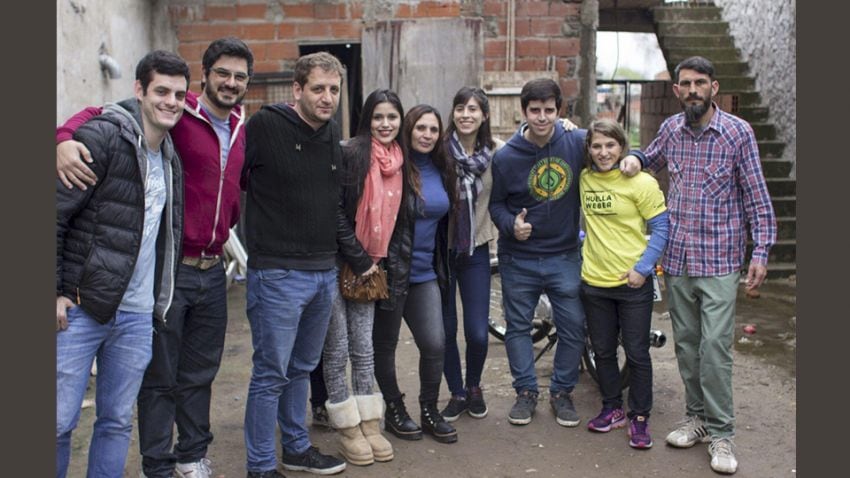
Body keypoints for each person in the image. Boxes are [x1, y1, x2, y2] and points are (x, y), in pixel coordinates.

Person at [56, 37, 255, 478]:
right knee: (79, 413)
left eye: (240, 76)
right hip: (130, 285)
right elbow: (103, 114)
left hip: (183, 284)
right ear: (204, 76)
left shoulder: (224, 133)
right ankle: (158, 463)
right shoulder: (160, 121)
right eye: (222, 73)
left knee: (175, 387)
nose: (230, 82)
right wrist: (63, 137)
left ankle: (190, 456)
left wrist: (221, 231)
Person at [632, 56, 776, 474]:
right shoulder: (670, 130)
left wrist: (761, 252)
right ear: (676, 91)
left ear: (714, 87)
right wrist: (627, 159)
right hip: (677, 259)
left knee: (715, 348)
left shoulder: (737, 133)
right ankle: (696, 418)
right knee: (688, 345)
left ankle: (722, 433)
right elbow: (648, 158)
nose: (692, 90)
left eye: (700, 83)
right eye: (685, 84)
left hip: (719, 260)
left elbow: (757, 198)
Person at [55, 50, 188, 478]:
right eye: (162, 91)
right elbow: (53, 215)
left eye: (179, 94)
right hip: (82, 305)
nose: (171, 101)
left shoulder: (170, 159)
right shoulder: (101, 138)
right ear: (139, 90)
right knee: (57, 421)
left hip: (135, 315)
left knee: (115, 422)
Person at [488, 78, 644, 428]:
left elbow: (612, 145)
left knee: (573, 327)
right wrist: (510, 224)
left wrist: (635, 157)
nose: (543, 118)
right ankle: (526, 392)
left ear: (560, 110)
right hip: (519, 258)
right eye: (535, 110)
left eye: (549, 110)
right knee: (517, 328)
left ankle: (561, 392)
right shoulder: (506, 157)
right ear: (524, 112)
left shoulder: (576, 142)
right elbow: (496, 205)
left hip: (564, 256)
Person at [239, 51, 349, 477]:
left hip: (322, 272)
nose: (326, 97)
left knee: (301, 369)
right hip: (278, 273)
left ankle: (297, 449)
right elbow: (236, 179)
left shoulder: (331, 132)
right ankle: (261, 465)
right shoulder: (265, 126)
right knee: (271, 373)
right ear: (297, 89)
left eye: (334, 90)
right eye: (318, 89)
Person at [322, 88, 405, 465]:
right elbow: (334, 211)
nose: (385, 124)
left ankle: (370, 421)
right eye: (378, 117)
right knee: (336, 348)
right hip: (339, 262)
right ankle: (346, 426)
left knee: (364, 347)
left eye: (391, 117)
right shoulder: (352, 153)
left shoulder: (400, 160)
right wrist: (358, 258)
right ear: (366, 120)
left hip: (372, 265)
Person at [579, 119, 669, 449]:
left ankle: (640, 417)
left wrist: (643, 269)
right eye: (597, 146)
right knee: (602, 350)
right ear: (588, 149)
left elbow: (661, 228)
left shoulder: (641, 182)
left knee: (636, 352)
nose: (603, 152)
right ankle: (612, 408)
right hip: (594, 282)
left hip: (632, 283)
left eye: (610, 145)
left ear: (622, 147)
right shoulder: (584, 179)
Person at [373, 104, 459, 444]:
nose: (426, 134)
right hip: (391, 272)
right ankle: (394, 409)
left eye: (433, 130)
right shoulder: (394, 166)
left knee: (435, 344)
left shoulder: (443, 167)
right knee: (385, 346)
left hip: (425, 273)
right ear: (408, 130)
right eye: (420, 128)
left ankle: (429, 410)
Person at [438, 87, 504, 422]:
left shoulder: (495, 153)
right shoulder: (438, 151)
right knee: (447, 330)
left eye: (473, 109)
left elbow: (531, 140)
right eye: (460, 107)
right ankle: (457, 392)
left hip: (476, 249)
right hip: (442, 253)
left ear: (484, 116)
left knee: (478, 331)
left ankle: (474, 384)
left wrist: (565, 125)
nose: (466, 114)